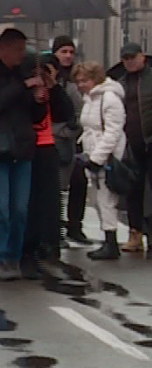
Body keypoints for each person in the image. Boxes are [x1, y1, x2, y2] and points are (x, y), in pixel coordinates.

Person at [0, 28, 47, 282]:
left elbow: (34, 116)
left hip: (22, 147)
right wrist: (21, 86)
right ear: (3, 48)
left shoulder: (24, 73)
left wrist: (39, 100)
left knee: (19, 208)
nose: (21, 55)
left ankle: (14, 256)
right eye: (18, 49)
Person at [20, 54, 75, 276]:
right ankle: (28, 249)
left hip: (47, 146)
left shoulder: (53, 89)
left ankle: (49, 246)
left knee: (50, 202)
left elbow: (66, 113)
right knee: (29, 202)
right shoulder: (23, 88)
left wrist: (52, 88)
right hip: (26, 146)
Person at [76, 61, 126, 260]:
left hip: (107, 156)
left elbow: (113, 132)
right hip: (93, 153)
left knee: (106, 200)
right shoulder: (90, 99)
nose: (80, 85)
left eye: (84, 80)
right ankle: (108, 239)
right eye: (78, 81)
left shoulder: (110, 98)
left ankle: (111, 242)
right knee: (98, 200)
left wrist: (98, 157)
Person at [52, 36, 90, 245]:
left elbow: (80, 109)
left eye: (71, 52)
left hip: (73, 138)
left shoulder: (76, 78)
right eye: (63, 51)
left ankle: (75, 225)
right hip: (54, 137)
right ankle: (56, 226)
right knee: (57, 185)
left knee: (78, 182)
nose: (67, 56)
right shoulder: (52, 76)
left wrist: (73, 130)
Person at [114, 43, 150, 252]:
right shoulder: (120, 83)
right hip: (130, 143)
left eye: (132, 57)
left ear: (142, 56)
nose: (129, 61)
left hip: (149, 140)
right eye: (126, 58)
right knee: (133, 190)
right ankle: (135, 233)